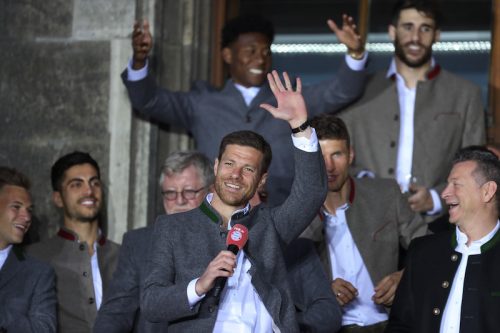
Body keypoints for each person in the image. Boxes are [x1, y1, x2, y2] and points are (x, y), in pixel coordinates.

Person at [141, 71, 327, 331]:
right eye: (229, 164)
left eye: (248, 169)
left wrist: (299, 124)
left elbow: (312, 192)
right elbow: (151, 303)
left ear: (262, 180)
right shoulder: (173, 228)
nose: (235, 175)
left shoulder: (271, 226)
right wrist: (199, 285)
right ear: (216, 167)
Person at [122, 14, 367, 206]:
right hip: (218, 221)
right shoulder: (203, 102)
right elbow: (149, 101)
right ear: (227, 55)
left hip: (281, 218)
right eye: (250, 51)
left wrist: (355, 54)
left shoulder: (290, 98)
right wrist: (139, 62)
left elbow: (341, 91)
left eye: (265, 52)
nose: (260, 59)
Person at [339, 0, 485, 217]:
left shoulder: (465, 94)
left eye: (425, 28)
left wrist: (436, 198)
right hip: (368, 221)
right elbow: (338, 156)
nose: (415, 38)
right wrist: (368, 184)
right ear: (392, 31)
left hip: (436, 228)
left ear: (437, 35)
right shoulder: (360, 91)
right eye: (408, 27)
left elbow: (476, 168)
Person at [300, 114, 427, 333]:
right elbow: (284, 276)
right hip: (329, 327)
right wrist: (321, 293)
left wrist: (404, 277)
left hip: (389, 323)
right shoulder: (297, 210)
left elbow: (428, 246)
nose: (329, 166)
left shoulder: (386, 193)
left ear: (350, 155)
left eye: (336, 154)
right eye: (320, 156)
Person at [94, 150, 213, 333]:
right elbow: (115, 313)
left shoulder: (226, 238)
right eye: (170, 193)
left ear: (210, 191)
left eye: (189, 192)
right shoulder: (138, 243)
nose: (179, 201)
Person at [387, 148, 500, 332]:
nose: (445, 193)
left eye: (456, 184)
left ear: (487, 191)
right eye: (447, 184)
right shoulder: (423, 252)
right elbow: (400, 325)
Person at [27, 152, 120, 333]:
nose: (89, 191)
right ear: (58, 198)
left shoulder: (126, 255)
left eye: (95, 183)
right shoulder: (34, 257)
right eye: (76, 184)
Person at [0, 167, 57, 332]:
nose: (27, 218)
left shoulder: (38, 273)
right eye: (16, 207)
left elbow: (44, 329)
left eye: (29, 211)